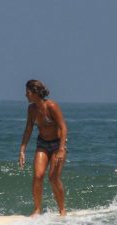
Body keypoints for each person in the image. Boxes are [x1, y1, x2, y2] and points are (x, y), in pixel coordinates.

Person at [19, 80, 68, 216]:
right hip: (42, 144)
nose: (25, 95)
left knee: (53, 178)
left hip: (58, 144)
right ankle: (37, 209)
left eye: (27, 92)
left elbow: (63, 127)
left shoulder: (51, 106)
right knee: (38, 176)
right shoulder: (32, 109)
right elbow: (28, 129)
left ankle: (62, 209)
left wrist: (61, 149)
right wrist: (22, 150)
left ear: (35, 93)